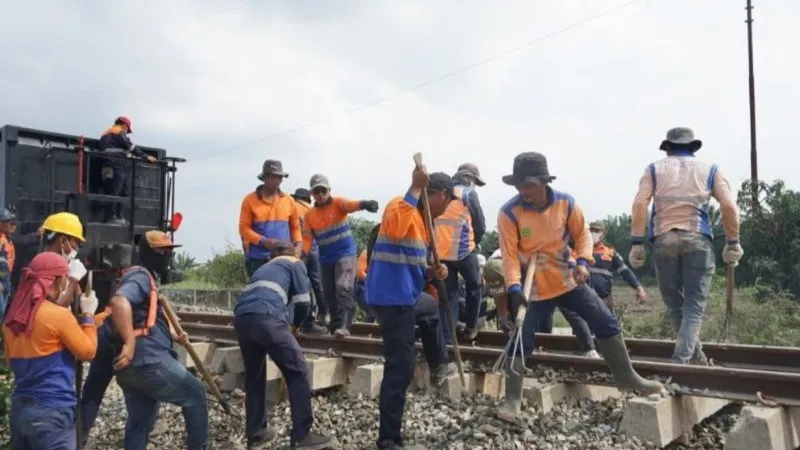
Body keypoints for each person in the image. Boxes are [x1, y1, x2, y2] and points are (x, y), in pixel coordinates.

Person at [497, 152, 664, 420]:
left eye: (528, 184)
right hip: (534, 286)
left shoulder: (566, 203)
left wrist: (584, 262)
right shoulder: (509, 213)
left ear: (543, 181)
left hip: (567, 278)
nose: (522, 190)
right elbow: (508, 256)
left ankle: (627, 377)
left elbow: (583, 235)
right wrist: (514, 289)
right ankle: (512, 398)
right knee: (520, 338)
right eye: (519, 185)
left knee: (605, 320)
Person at [629, 127, 742, 365]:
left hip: (664, 239)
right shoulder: (710, 169)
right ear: (693, 147)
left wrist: (637, 243)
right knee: (694, 305)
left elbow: (640, 203)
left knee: (675, 304)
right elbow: (729, 206)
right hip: (697, 239)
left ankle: (696, 358)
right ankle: (680, 362)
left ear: (667, 148)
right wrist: (733, 242)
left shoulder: (654, 169)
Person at [365, 167, 452, 449]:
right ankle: (388, 439)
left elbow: (410, 264)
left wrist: (432, 272)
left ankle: (439, 362)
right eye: (447, 202)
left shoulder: (423, 225)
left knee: (431, 307)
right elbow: (397, 226)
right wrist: (415, 188)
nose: (447, 208)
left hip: (407, 295)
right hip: (392, 299)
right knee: (400, 366)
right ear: (440, 195)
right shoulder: (401, 208)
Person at [105, 230, 208, 450]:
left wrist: (172, 335)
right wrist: (130, 344)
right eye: (162, 251)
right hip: (147, 360)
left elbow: (145, 318)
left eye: (169, 251)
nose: (168, 256)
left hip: (132, 368)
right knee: (196, 394)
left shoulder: (144, 277)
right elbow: (119, 301)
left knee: (140, 420)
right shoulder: (140, 275)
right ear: (148, 253)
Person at [233, 241, 334, 450]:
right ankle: (301, 436)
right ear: (293, 253)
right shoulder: (294, 263)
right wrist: (296, 326)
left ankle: (256, 435)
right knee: (298, 370)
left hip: (242, 318)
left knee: (254, 376)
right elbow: (303, 302)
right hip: (268, 317)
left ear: (271, 256)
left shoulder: (263, 269)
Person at [3, 252, 99, 450]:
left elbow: (11, 362)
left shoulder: (11, 319)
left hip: (20, 410)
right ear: (57, 280)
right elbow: (88, 352)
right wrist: (88, 315)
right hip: (52, 413)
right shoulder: (58, 316)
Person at [484, 247, 600, 357]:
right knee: (520, 314)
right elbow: (500, 294)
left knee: (570, 309)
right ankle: (521, 349)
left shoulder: (523, 256)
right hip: (526, 274)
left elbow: (528, 288)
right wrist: (503, 316)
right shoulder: (492, 267)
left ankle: (589, 349)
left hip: (554, 271)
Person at [301, 173, 379, 337]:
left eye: (323, 190)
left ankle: (345, 325)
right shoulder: (310, 216)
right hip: (326, 258)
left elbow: (350, 205)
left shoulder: (338, 204)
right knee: (329, 293)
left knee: (343, 287)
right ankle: (335, 327)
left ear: (329, 190)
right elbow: (307, 239)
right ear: (311, 194)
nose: (321, 195)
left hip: (345, 254)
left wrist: (364, 204)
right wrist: (302, 257)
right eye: (317, 192)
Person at [433, 164, 486, 342]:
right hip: (464, 250)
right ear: (470, 178)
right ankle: (471, 327)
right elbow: (480, 224)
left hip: (441, 254)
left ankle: (448, 338)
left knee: (448, 297)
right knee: (475, 287)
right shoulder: (468, 193)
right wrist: (475, 242)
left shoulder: (442, 191)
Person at [239, 160, 303, 277]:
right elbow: (244, 229)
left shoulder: (289, 200)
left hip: (284, 257)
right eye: (272, 177)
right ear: (264, 178)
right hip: (259, 258)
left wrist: (298, 245)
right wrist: (263, 241)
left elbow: (295, 227)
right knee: (261, 291)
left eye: (279, 177)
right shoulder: (249, 200)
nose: (276, 180)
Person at [97, 116, 157, 225]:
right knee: (116, 192)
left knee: (116, 191)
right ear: (124, 126)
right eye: (127, 130)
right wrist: (146, 157)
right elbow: (131, 147)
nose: (126, 133)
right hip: (116, 166)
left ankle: (117, 216)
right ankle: (112, 217)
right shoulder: (118, 133)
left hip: (108, 167)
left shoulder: (106, 134)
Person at [585, 220, 646, 311]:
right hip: (584, 300)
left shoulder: (611, 253)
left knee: (608, 325)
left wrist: (639, 288)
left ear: (603, 234)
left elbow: (625, 272)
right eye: (591, 230)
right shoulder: (581, 252)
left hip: (604, 302)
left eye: (596, 231)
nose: (593, 233)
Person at [291, 187, 329, 332]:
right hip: (314, 249)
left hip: (299, 249)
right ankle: (325, 313)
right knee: (317, 282)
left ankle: (307, 319)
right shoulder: (312, 210)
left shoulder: (293, 206)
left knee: (302, 284)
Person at [0, 207, 17, 320]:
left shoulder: (6, 239)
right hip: (1, 282)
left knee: (2, 312)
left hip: (6, 281)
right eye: (6, 222)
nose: (10, 224)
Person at [353, 247, 375, 323]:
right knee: (372, 312)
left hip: (372, 290)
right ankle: (363, 331)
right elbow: (360, 273)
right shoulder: (366, 254)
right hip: (361, 288)